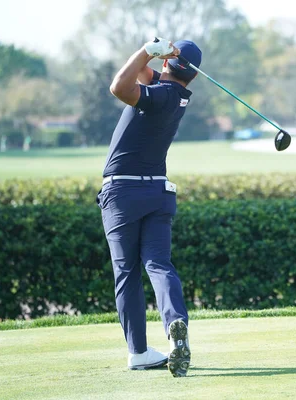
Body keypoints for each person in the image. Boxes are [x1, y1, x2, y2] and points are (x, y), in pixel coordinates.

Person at [96, 38, 202, 378]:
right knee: (158, 264)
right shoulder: (177, 93)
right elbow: (141, 71)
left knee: (126, 273)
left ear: (171, 64)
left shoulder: (161, 96)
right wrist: (150, 53)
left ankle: (139, 352)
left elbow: (119, 86)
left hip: (124, 192)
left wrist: (148, 48)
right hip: (158, 191)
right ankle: (175, 323)